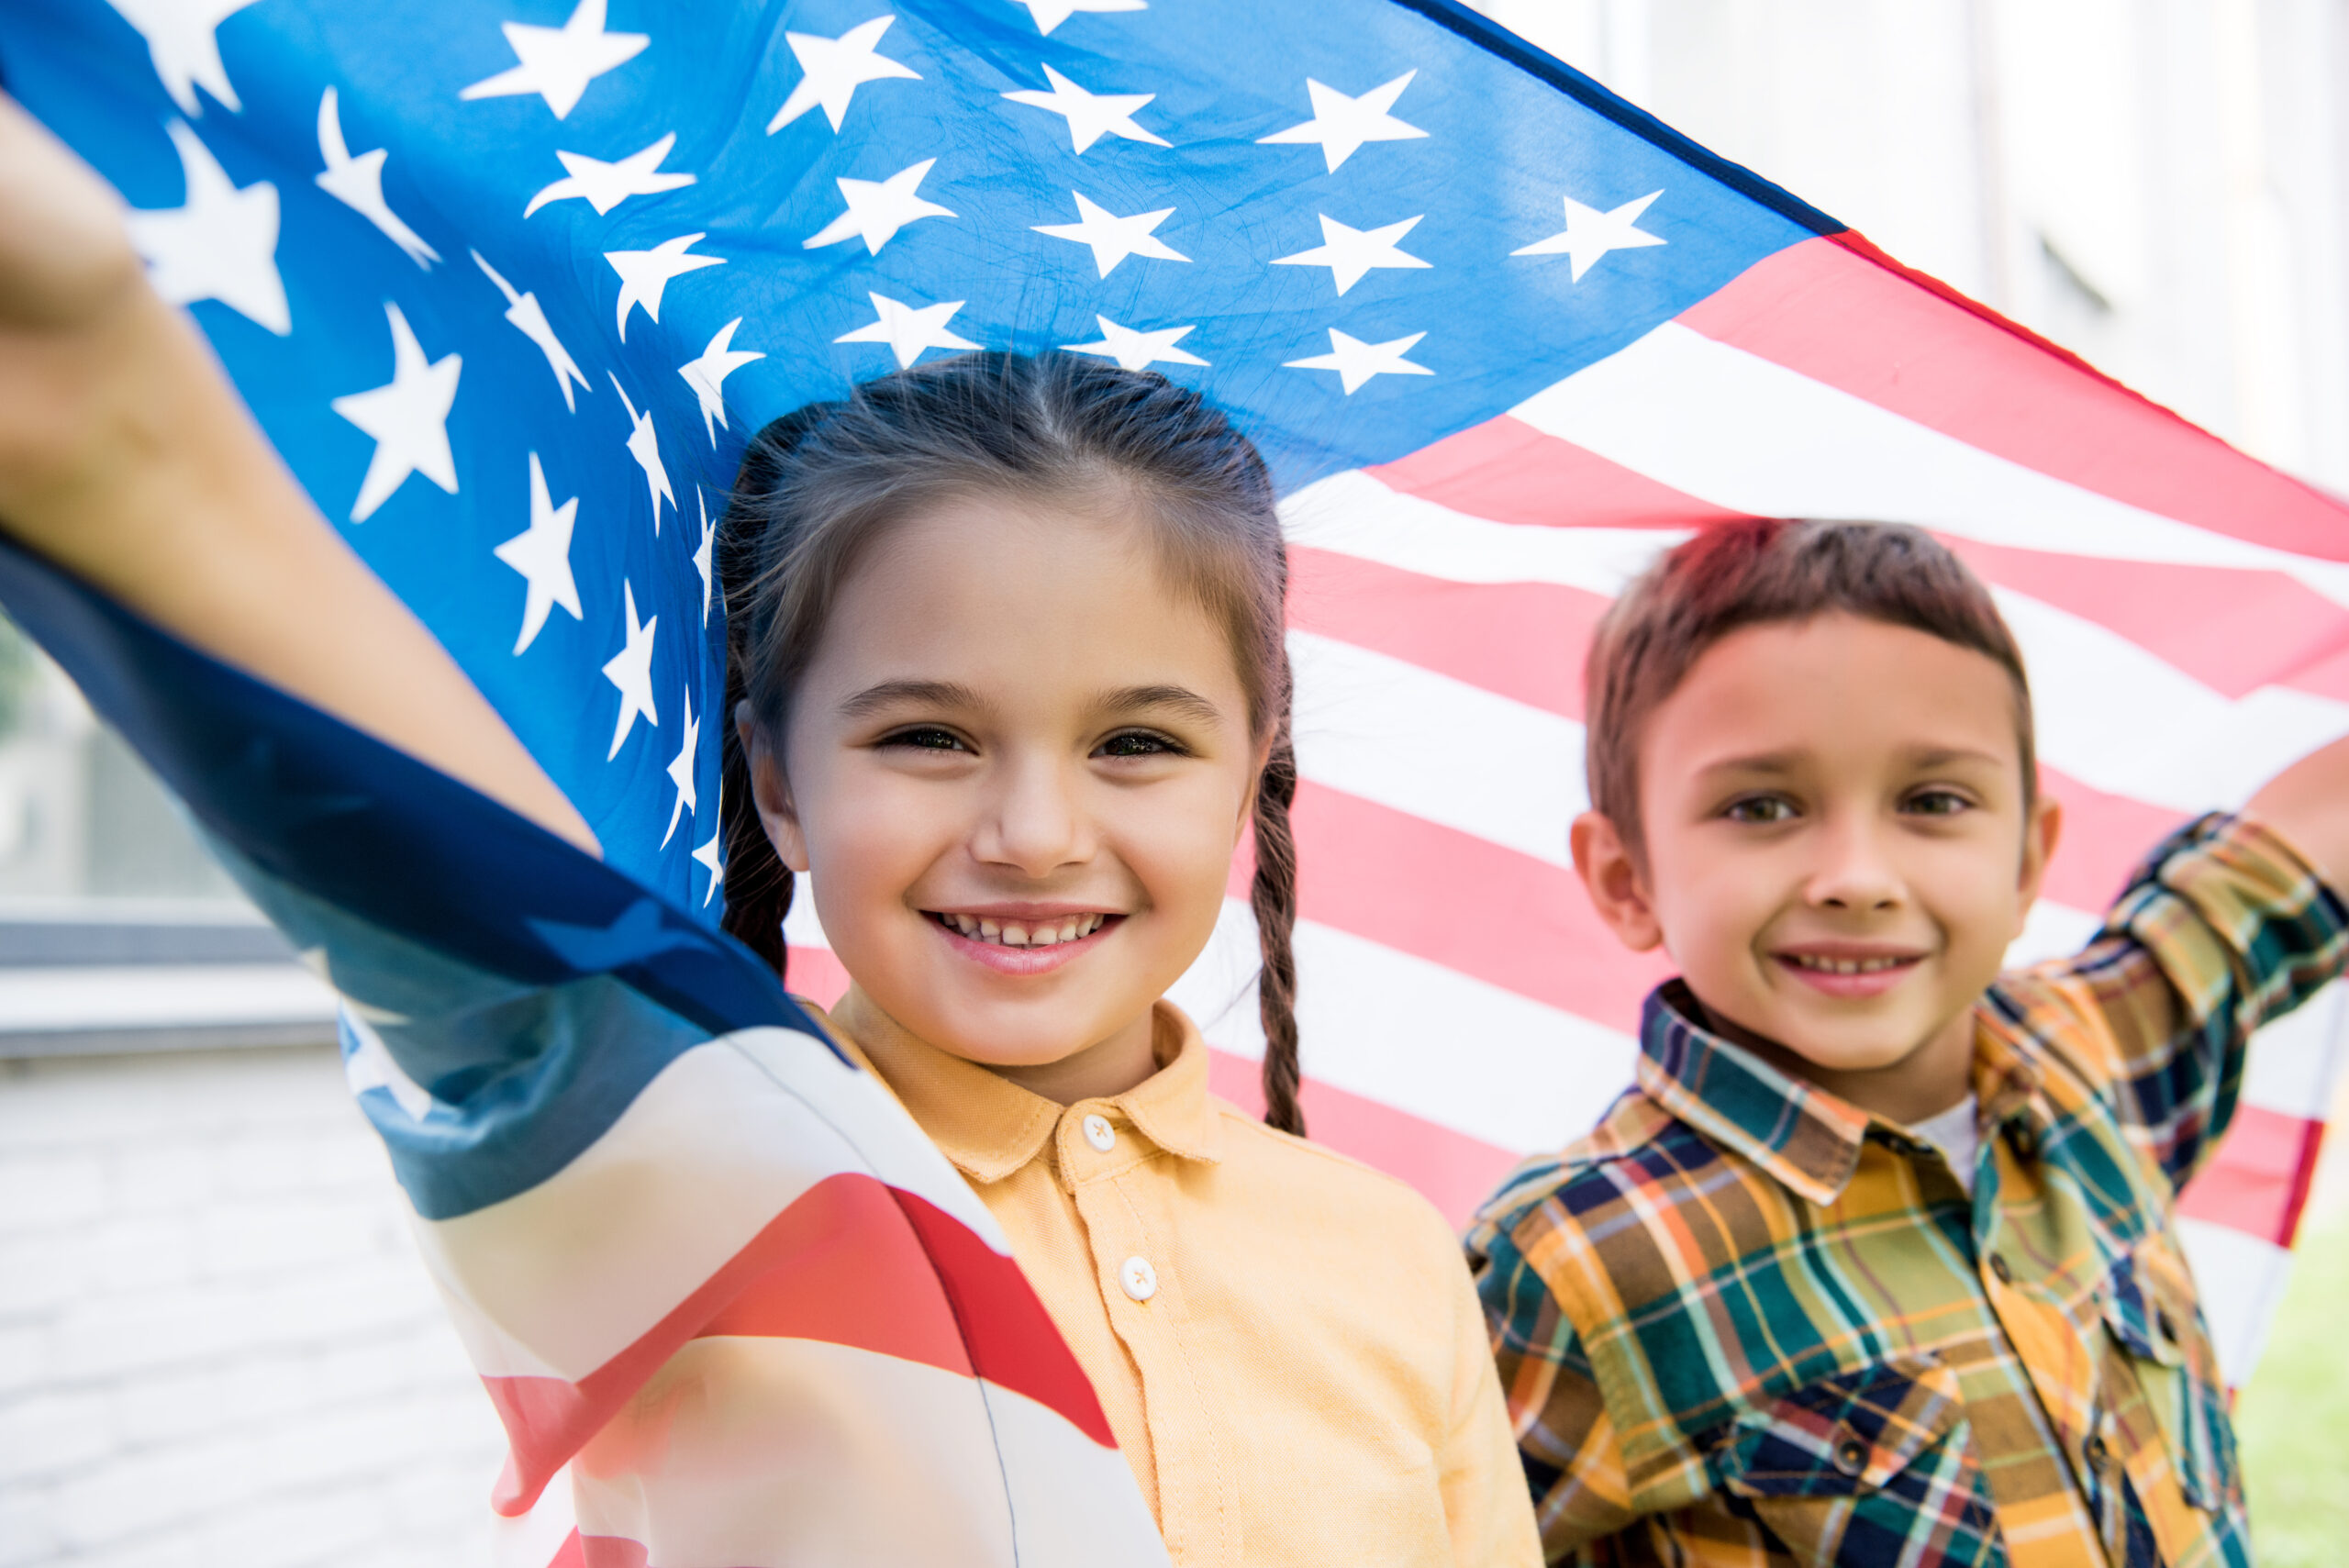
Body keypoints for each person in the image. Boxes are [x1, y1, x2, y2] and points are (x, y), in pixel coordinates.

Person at [0, 95, 1538, 1567]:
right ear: (779, 780)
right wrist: (117, 426)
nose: (1031, 827)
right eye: (928, 735)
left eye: (1137, 740)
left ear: (1259, 766)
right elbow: (464, 889)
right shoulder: (699, 1157)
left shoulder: (1396, 1254)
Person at [1466, 517, 2349, 1566]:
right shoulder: (1575, 1260)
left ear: (2028, 858)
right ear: (1626, 877)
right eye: (1762, 805)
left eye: (1932, 800)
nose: (1857, 873)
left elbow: (2258, 885)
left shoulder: (2086, 1051)